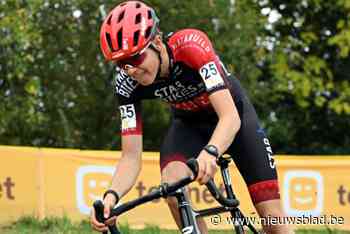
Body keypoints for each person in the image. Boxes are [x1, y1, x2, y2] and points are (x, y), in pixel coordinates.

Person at [91, 1, 292, 233]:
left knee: (272, 217)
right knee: (172, 185)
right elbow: (130, 157)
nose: (131, 70)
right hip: (189, 125)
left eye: (135, 58)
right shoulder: (126, 85)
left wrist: (212, 151)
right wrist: (110, 197)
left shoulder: (191, 46)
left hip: (232, 118)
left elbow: (230, 117)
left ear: (156, 41)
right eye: (121, 64)